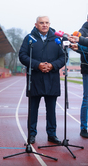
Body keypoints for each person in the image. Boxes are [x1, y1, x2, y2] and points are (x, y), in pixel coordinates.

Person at [19, 16, 65, 144]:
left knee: (51, 110)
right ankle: (32, 134)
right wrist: (37, 64)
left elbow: (63, 57)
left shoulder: (57, 39)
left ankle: (52, 134)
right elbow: (22, 56)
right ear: (36, 25)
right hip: (34, 79)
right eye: (41, 23)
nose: (44, 25)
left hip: (52, 79)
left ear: (50, 24)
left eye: (46, 23)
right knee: (33, 109)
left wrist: (52, 65)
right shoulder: (29, 38)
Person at [69, 10, 88, 138]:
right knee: (86, 99)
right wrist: (82, 44)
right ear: (87, 19)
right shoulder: (83, 31)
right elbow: (83, 48)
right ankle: (83, 128)